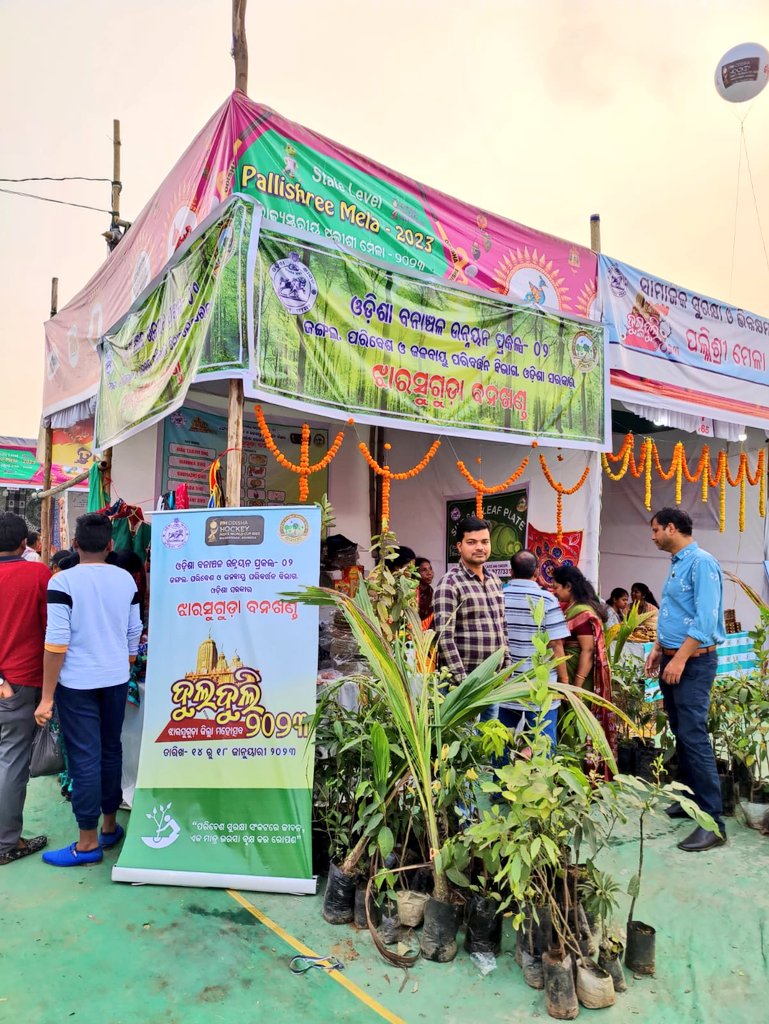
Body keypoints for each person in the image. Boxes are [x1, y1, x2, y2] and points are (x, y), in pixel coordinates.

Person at [36, 513, 143, 867]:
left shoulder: (62, 582)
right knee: (110, 750)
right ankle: (109, 827)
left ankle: (86, 844)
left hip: (77, 684)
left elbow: (56, 644)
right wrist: (122, 664)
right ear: (110, 545)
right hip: (114, 679)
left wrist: (47, 697)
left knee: (84, 758)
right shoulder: (126, 580)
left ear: (76, 544)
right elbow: (134, 631)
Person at [643, 507, 726, 853]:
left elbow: (705, 622)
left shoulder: (702, 563)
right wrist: (659, 649)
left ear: (672, 528)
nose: (653, 536)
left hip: (692, 663)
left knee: (693, 735)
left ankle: (712, 822)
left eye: (656, 529)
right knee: (681, 731)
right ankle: (690, 800)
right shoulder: (678, 563)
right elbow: (675, 612)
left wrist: (678, 658)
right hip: (674, 658)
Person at [0, 513, 50, 866]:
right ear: (24, 544)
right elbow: (54, 634)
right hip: (20, 682)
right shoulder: (37, 575)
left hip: (8, 682)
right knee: (12, 761)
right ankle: (6, 843)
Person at [433, 516, 510, 719]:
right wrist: (463, 682)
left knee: (488, 743)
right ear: (459, 546)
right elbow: (444, 638)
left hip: (491, 683)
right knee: (463, 745)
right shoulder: (449, 583)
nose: (480, 547)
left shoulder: (494, 580)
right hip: (461, 687)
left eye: (484, 542)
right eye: (472, 542)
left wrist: (507, 664)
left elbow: (502, 625)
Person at [502, 550, 570, 751]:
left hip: (506, 685)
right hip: (541, 687)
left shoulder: (497, 596)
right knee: (543, 745)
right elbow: (556, 645)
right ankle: (541, 781)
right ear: (537, 572)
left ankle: (500, 782)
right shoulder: (547, 600)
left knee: (502, 745)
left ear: (510, 571)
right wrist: (565, 684)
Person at [551, 564, 617, 772]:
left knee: (575, 724)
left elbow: (588, 651)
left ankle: (579, 773)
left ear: (568, 586)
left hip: (577, 676)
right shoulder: (573, 607)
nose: (554, 591)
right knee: (567, 724)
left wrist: (575, 687)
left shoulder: (583, 612)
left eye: (557, 587)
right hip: (569, 674)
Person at [415, 556, 434, 625]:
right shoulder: (411, 592)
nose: (429, 573)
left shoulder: (430, 590)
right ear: (415, 572)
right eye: (424, 570)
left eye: (430, 569)